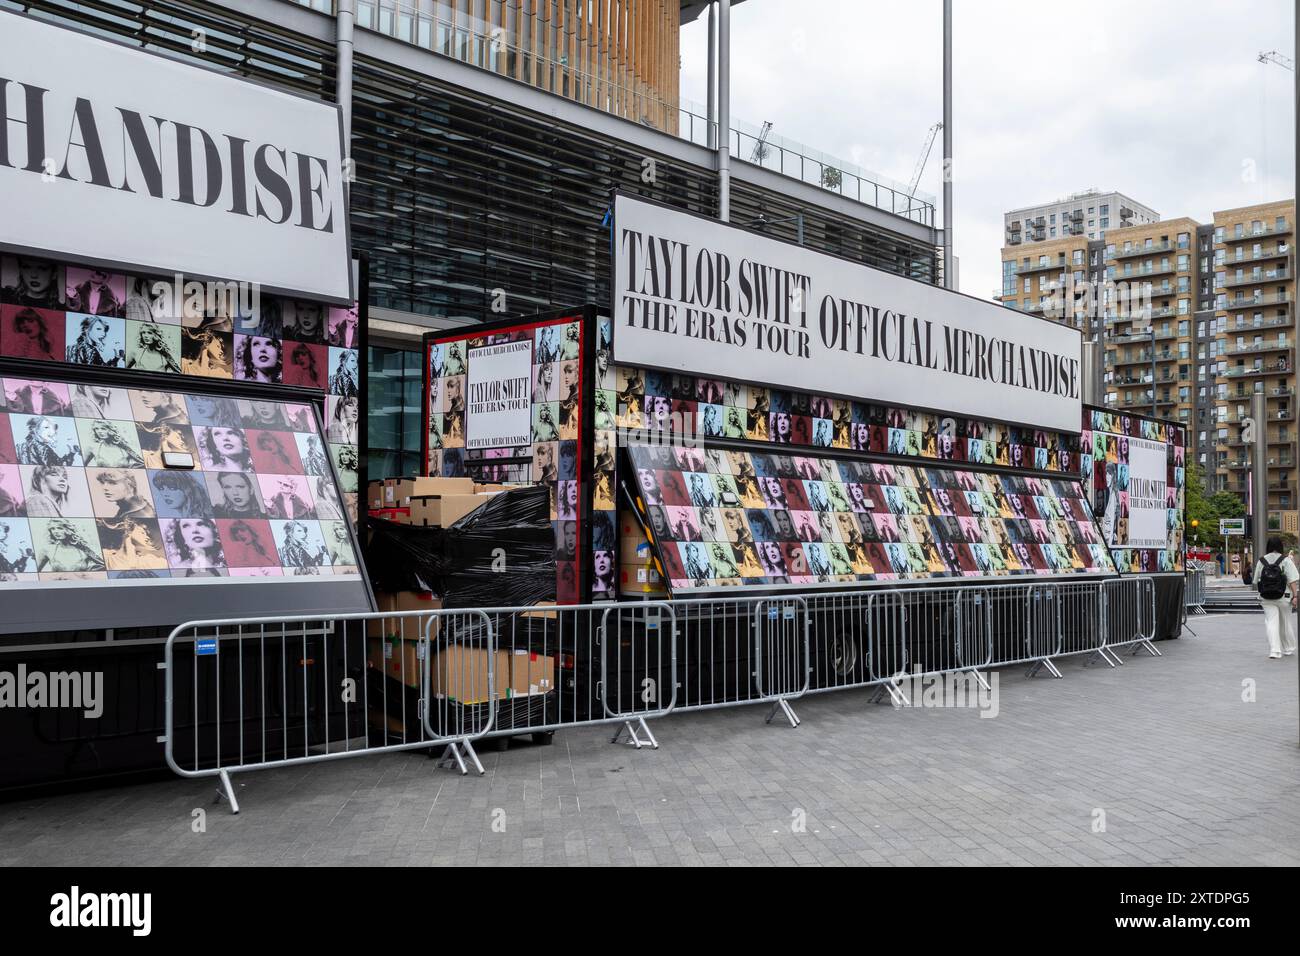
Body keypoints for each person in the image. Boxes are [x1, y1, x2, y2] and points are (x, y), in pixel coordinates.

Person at [1250, 537, 1298, 659]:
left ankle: (1274, 651)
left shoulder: (1262, 561)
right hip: (1284, 597)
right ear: (1280, 546)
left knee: (1271, 622)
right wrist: (1295, 596)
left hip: (1266, 597)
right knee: (1285, 622)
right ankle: (1288, 648)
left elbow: (1256, 581)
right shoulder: (1286, 560)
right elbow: (1292, 580)